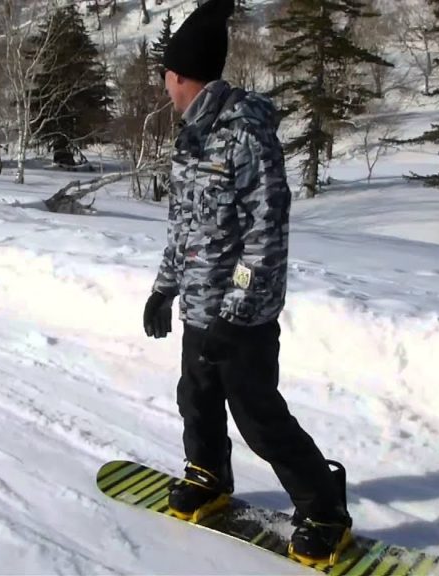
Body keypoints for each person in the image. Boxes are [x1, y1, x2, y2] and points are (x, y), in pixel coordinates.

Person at [141, 0, 354, 565]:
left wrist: (234, 312)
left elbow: (264, 238)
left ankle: (325, 508)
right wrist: (165, 288)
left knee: (258, 416)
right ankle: (208, 474)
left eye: (166, 75)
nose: (164, 85)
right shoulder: (190, 138)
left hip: (241, 317)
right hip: (199, 309)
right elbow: (182, 225)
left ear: (180, 76)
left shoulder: (245, 137)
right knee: (197, 399)